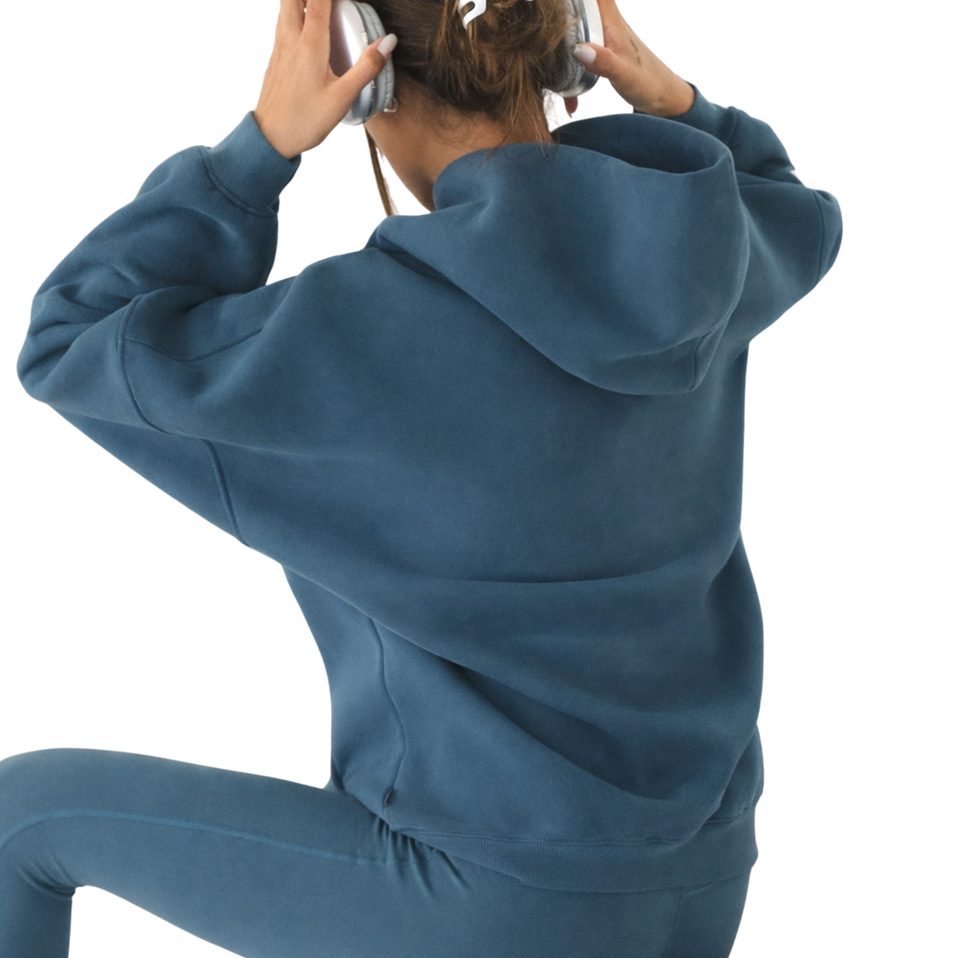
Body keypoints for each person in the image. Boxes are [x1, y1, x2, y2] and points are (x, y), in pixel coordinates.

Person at [1, 0, 842, 953]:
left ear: (365, 67)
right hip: (705, 878)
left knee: (20, 820)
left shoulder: (359, 328)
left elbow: (70, 337)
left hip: (483, 900)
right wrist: (680, 104)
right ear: (565, 50)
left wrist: (260, 148)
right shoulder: (701, 250)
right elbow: (793, 205)